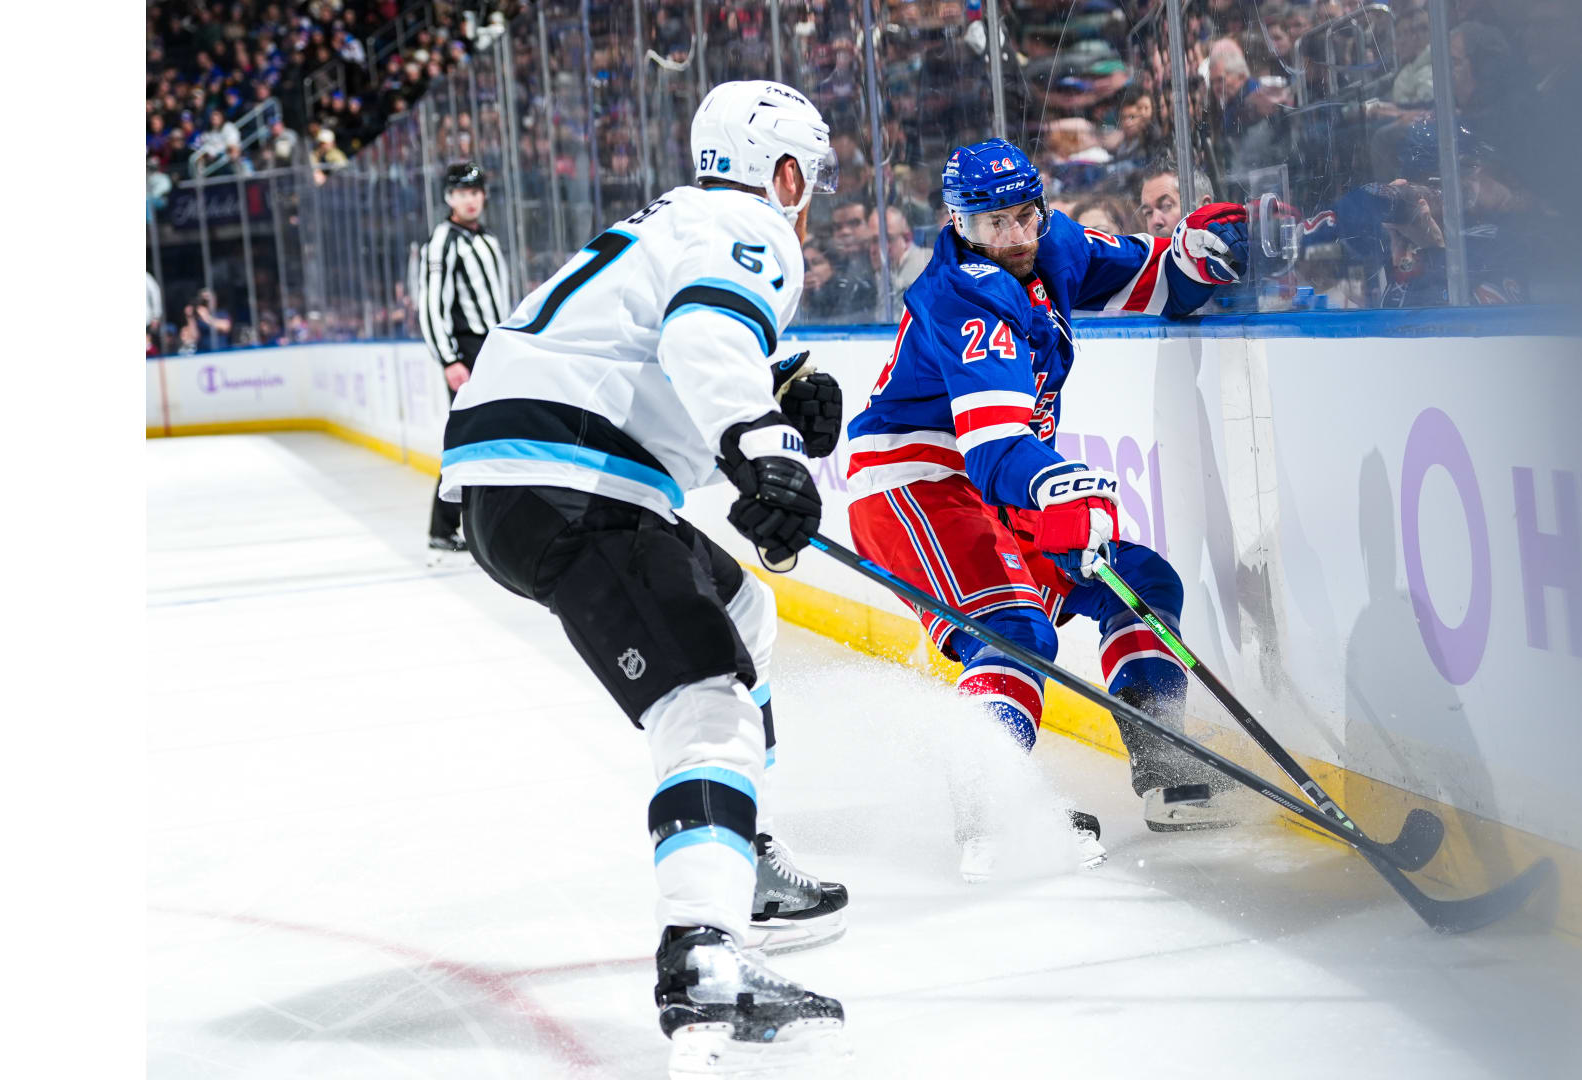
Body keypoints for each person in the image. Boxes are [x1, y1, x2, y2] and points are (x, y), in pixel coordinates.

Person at [436, 81, 850, 1071]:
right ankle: (704, 955)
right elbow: (703, 338)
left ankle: (742, 854)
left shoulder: (675, 219)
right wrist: (765, 444)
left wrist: (775, 396)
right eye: (808, 176)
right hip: (569, 478)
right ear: (782, 173)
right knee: (708, 704)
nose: (808, 197)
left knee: (744, 610)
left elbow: (652, 354)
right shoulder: (752, 224)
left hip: (528, 476)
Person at [843, 139, 1250, 883]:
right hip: (916, 479)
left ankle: (1166, 765)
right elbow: (997, 450)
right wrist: (1061, 485)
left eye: (1024, 216)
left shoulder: (1053, 242)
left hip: (998, 482)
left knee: (1140, 582)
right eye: (990, 223)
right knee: (1013, 628)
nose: (1012, 237)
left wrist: (1198, 256)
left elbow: (1158, 281)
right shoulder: (961, 296)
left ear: (1040, 206)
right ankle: (991, 810)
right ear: (957, 222)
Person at [418, 162, 511, 564]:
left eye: (474, 192)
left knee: (493, 432)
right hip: (467, 350)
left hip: (494, 346)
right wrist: (449, 358)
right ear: (448, 198)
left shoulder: (485, 238)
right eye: (460, 193)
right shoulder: (443, 241)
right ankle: (443, 529)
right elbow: (430, 306)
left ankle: (484, 523)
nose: (469, 200)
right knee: (469, 436)